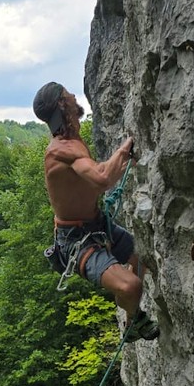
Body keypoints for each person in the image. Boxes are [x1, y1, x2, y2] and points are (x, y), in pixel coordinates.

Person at [33, 80, 159, 342]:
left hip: (95, 225)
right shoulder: (61, 150)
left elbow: (89, 175)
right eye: (68, 94)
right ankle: (134, 318)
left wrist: (116, 165)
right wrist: (124, 149)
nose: (74, 96)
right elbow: (101, 178)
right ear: (62, 103)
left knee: (140, 254)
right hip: (75, 241)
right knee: (130, 285)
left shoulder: (70, 142)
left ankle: (131, 318)